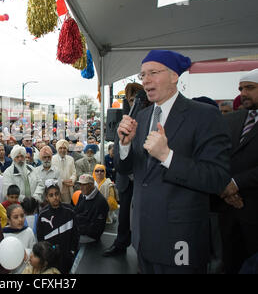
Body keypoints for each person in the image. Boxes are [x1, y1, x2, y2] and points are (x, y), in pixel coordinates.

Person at [115, 49, 231, 273]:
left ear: (174, 76)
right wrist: (124, 145)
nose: (146, 80)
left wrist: (167, 156)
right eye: (142, 75)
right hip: (143, 238)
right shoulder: (141, 117)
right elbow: (126, 169)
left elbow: (217, 178)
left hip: (180, 239)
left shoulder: (204, 116)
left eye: (153, 73)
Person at [215, 68, 258, 274]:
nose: (243, 93)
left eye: (250, 88)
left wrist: (236, 184)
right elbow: (217, 156)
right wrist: (225, 186)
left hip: (254, 208)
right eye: (241, 88)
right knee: (230, 263)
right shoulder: (231, 120)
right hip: (228, 209)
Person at [103, 81, 148, 257]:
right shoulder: (124, 120)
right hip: (125, 179)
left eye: (136, 99)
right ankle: (121, 244)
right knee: (123, 216)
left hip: (142, 178)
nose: (133, 103)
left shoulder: (149, 119)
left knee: (142, 217)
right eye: (130, 99)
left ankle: (143, 250)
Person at [37, 180, 79, 274]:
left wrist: (72, 251)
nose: (55, 197)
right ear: (47, 198)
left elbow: (75, 234)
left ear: (60, 194)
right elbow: (40, 238)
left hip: (67, 257)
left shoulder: (70, 211)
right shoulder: (42, 215)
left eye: (56, 194)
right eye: (51, 195)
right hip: (51, 260)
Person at [74, 174, 109, 244]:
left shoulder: (101, 202)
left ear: (91, 185)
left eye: (84, 185)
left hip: (90, 236)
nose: (81, 188)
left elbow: (96, 228)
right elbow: (76, 211)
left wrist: (76, 229)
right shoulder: (82, 195)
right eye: (80, 184)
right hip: (80, 229)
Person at [3, 204, 36, 274]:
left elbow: (34, 251)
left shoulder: (28, 231)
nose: (20, 219)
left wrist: (26, 254)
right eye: (15, 217)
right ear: (8, 220)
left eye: (22, 216)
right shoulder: (3, 235)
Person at [51, 140, 76, 204]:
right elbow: (52, 175)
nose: (62, 150)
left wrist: (71, 180)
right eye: (60, 148)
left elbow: (74, 172)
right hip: (57, 188)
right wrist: (62, 181)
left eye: (64, 148)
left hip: (69, 188)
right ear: (57, 149)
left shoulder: (71, 159)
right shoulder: (52, 159)